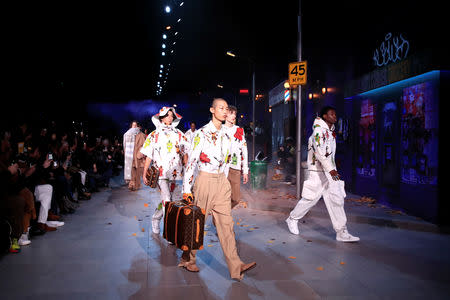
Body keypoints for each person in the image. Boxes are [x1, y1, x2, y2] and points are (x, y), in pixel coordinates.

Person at [180, 98, 256, 281]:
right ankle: (188, 259)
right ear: (212, 110)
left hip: (221, 182)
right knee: (197, 224)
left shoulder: (227, 135)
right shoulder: (202, 133)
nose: (224, 111)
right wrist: (186, 189)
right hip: (204, 180)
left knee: (227, 225)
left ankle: (236, 266)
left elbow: (228, 160)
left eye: (226, 108)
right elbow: (191, 163)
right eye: (221, 108)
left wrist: (226, 180)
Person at [286, 106, 360, 242]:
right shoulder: (319, 131)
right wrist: (331, 169)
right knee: (310, 199)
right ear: (324, 116)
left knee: (337, 199)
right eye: (331, 114)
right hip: (318, 171)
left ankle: (342, 232)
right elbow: (319, 152)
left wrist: (332, 169)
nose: (335, 116)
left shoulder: (330, 132)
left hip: (329, 171)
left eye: (335, 114)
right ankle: (292, 218)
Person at [141, 107, 188, 234]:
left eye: (172, 115)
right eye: (167, 115)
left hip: (176, 173)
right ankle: (169, 232)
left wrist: (187, 169)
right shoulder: (154, 135)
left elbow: (185, 153)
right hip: (161, 174)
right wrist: (144, 173)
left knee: (172, 201)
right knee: (167, 199)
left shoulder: (179, 134)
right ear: (161, 117)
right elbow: (149, 155)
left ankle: (156, 217)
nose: (170, 117)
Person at [223, 105, 249, 208]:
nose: (233, 116)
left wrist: (245, 171)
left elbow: (244, 150)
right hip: (222, 168)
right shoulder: (220, 130)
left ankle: (223, 212)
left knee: (236, 199)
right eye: (231, 113)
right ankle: (223, 217)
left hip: (235, 167)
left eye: (235, 114)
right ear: (225, 115)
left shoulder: (239, 130)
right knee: (221, 196)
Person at [129, 122, 146, 191]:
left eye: (135, 125)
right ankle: (132, 184)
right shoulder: (130, 135)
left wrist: (140, 154)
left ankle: (136, 185)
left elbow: (144, 145)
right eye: (133, 125)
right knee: (132, 171)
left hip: (138, 156)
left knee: (138, 171)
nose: (134, 127)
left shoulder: (141, 135)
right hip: (131, 155)